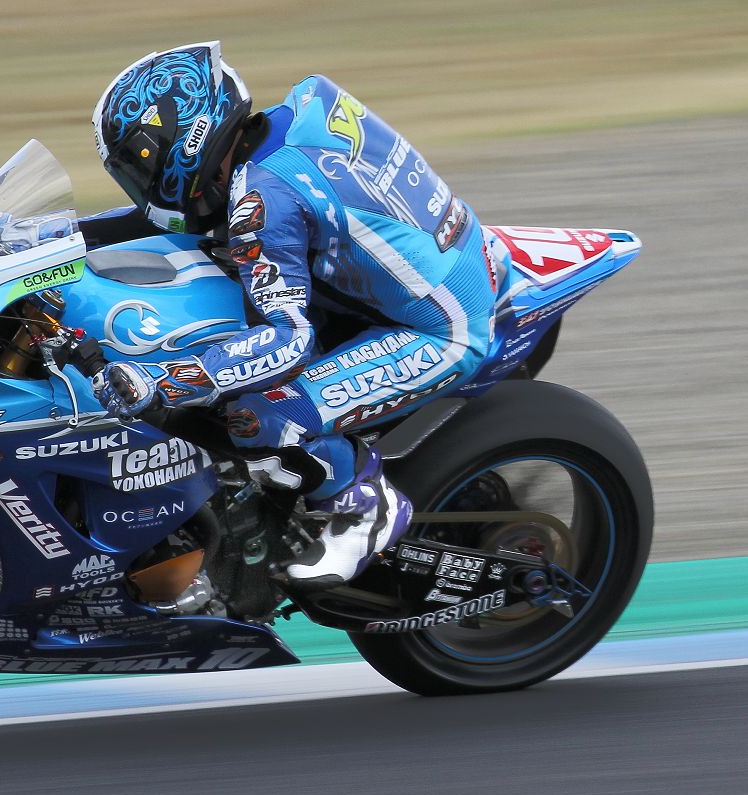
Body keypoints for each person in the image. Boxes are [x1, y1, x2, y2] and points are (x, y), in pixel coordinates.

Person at [88, 42, 498, 589]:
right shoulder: (285, 123)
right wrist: (54, 238)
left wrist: (164, 380)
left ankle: (365, 506)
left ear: (186, 142)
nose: (141, 183)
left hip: (440, 329)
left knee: (257, 416)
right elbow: (177, 223)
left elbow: (288, 342)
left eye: (141, 165)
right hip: (434, 261)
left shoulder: (262, 201)